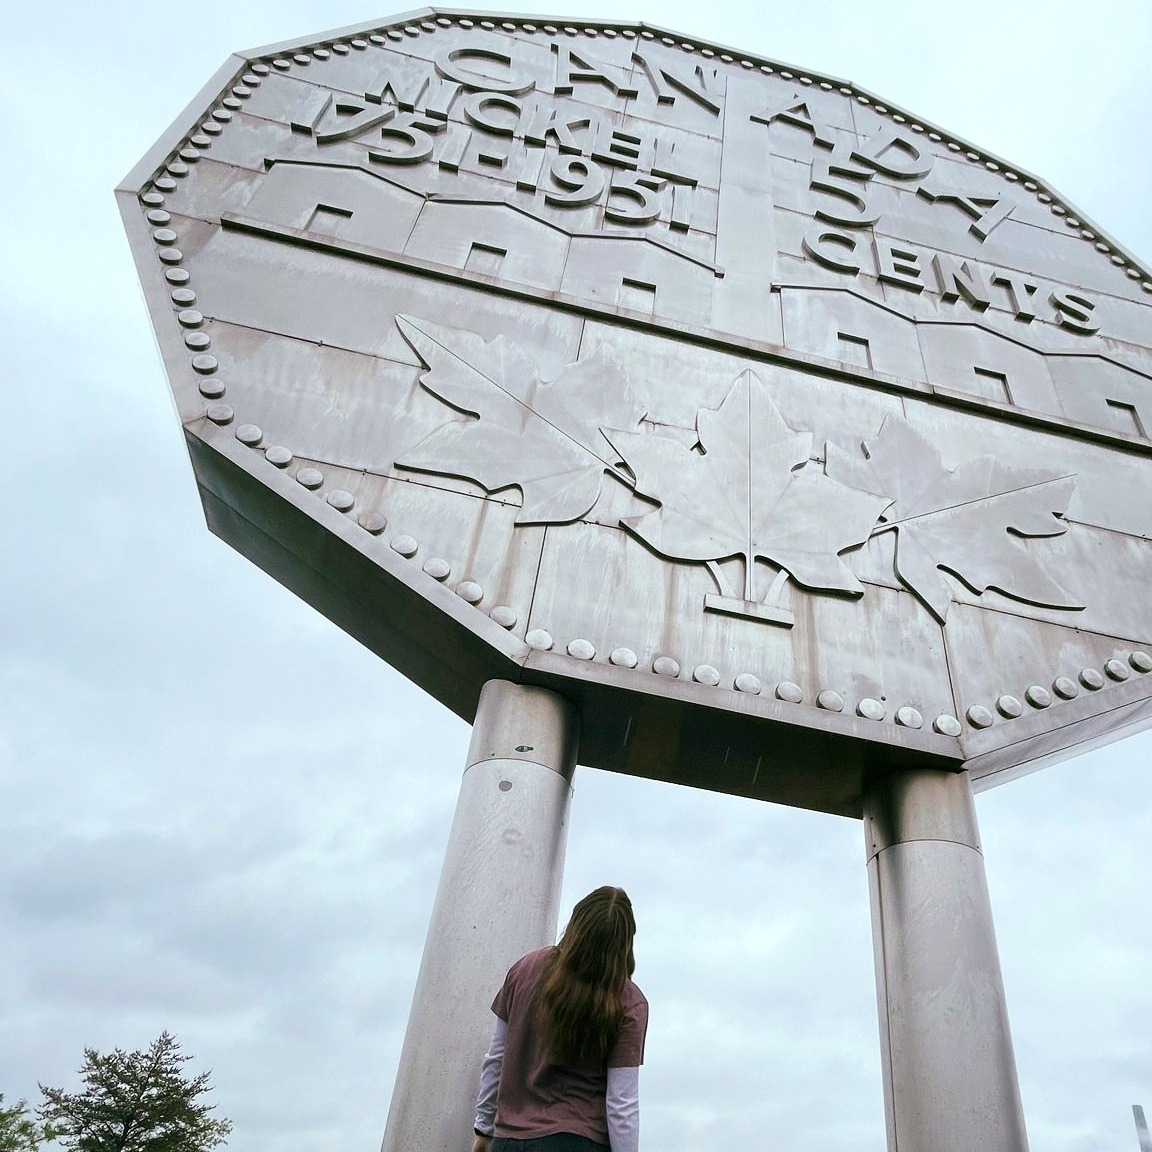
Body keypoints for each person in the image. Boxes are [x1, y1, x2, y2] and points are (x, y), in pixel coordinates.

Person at [472, 886, 648, 1152]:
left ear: (576, 923)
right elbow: (621, 1105)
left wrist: (483, 1129)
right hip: (577, 1142)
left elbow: (496, 1058)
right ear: (623, 942)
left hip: (509, 1141)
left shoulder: (525, 969)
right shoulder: (627, 1001)